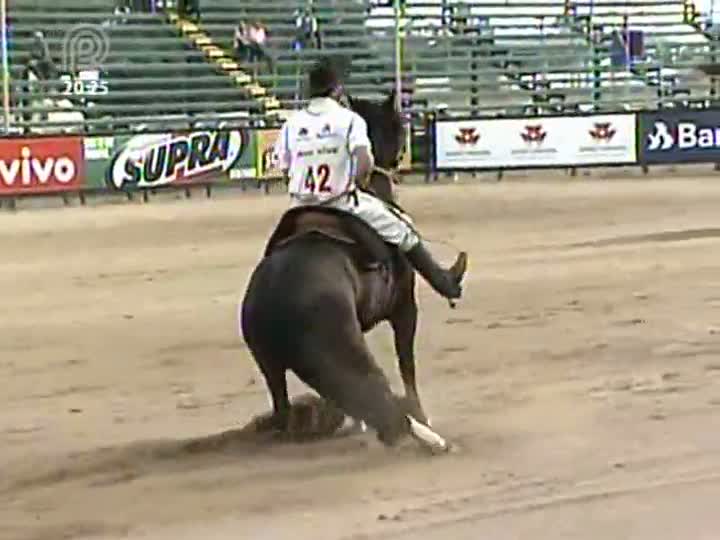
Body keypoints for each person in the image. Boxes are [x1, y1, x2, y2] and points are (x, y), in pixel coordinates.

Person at [272, 57, 467, 301]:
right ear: (337, 89)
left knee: (273, 250)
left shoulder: (292, 123)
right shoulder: (349, 119)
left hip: (299, 206)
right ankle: (444, 283)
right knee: (403, 229)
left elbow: (283, 168)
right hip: (342, 202)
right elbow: (364, 160)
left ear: (310, 89)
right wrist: (360, 181)